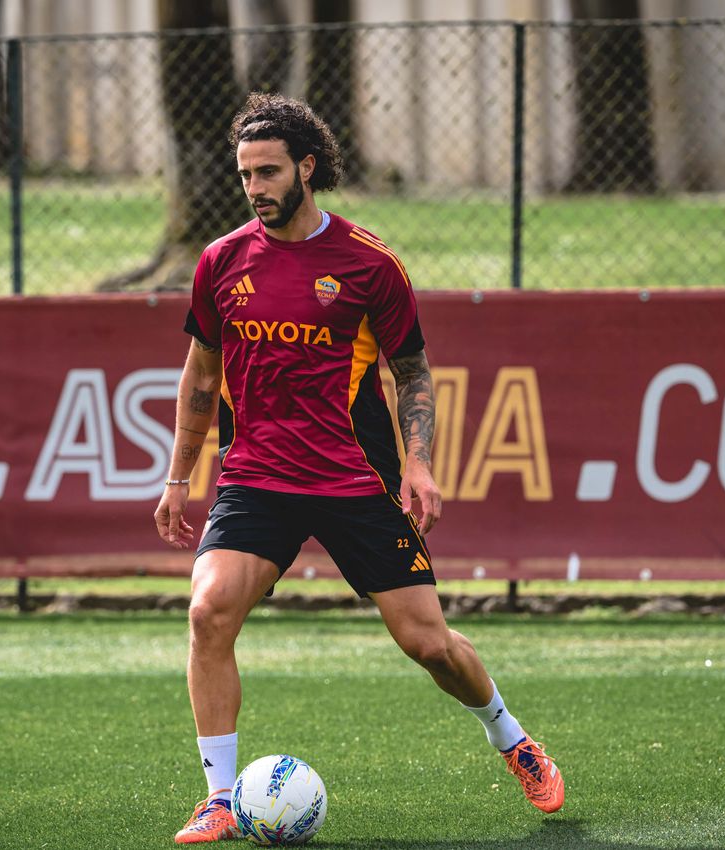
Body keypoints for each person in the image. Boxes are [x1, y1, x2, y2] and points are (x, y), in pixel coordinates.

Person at [154, 92, 564, 844]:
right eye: (245, 175)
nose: (254, 188)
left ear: (307, 168)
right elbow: (201, 377)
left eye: (268, 172)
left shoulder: (370, 263)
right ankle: (218, 799)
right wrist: (179, 477)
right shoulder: (220, 261)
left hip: (355, 479)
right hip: (257, 477)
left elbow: (412, 372)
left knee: (429, 645)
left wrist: (420, 465)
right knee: (207, 612)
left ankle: (512, 739)